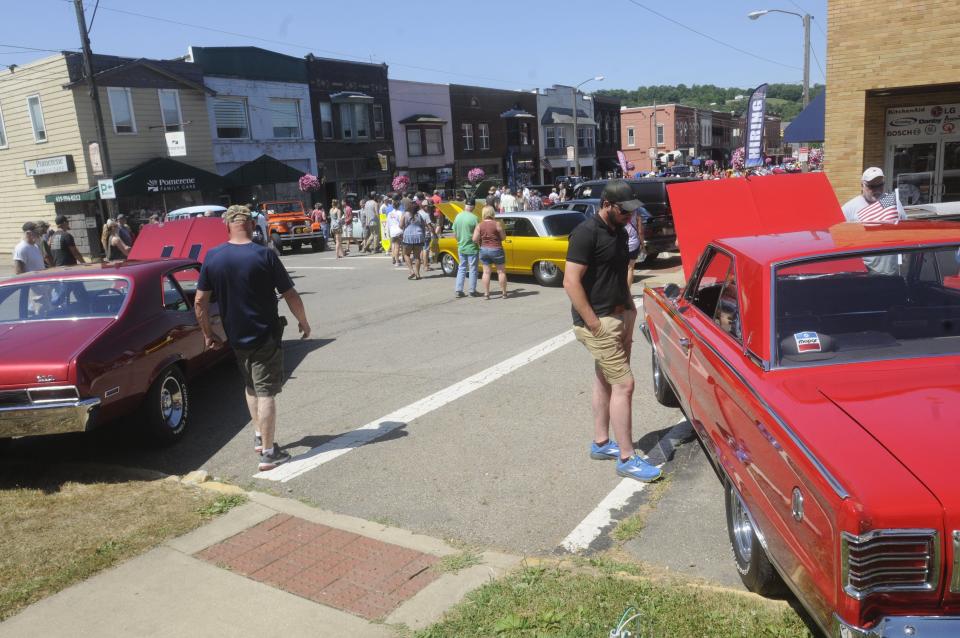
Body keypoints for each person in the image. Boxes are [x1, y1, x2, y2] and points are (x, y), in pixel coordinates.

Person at [195, 205, 311, 472]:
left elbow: (200, 301)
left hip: (235, 335)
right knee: (267, 392)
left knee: (250, 386)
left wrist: (207, 334)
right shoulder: (264, 255)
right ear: (250, 225)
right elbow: (290, 294)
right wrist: (303, 321)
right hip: (264, 334)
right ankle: (269, 454)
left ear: (227, 226)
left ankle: (260, 437)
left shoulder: (213, 257)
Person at [563, 180, 662, 483]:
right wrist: (593, 323)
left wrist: (629, 311)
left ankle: (602, 442)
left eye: (632, 212)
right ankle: (627, 458)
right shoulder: (585, 233)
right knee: (625, 385)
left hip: (620, 313)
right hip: (598, 322)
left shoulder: (620, 231)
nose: (629, 217)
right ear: (606, 204)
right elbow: (570, 281)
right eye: (623, 212)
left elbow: (619, 274)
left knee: (605, 379)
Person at [841, 167, 902, 274]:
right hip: (865, 271)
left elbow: (905, 228)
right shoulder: (850, 208)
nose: (877, 190)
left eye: (880, 185)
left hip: (892, 270)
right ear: (862, 185)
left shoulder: (892, 201)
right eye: (872, 186)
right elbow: (839, 238)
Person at [472, 205, 508, 299]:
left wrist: (481, 239)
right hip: (496, 249)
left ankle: (486, 294)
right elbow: (504, 237)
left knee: (486, 272)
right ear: (492, 213)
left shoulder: (479, 225)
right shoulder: (497, 224)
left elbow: (474, 239)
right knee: (501, 272)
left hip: (484, 249)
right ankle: (504, 293)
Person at [452, 203, 480, 298]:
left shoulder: (458, 216)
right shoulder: (474, 218)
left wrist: (459, 241)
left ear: (465, 206)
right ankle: (472, 290)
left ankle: (458, 290)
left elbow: (455, 233)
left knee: (462, 268)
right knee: (473, 269)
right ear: (473, 207)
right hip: (472, 247)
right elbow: (477, 235)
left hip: (461, 246)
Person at [401, 198, 426, 280]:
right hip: (419, 235)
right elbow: (423, 226)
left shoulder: (405, 214)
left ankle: (411, 271)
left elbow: (400, 225)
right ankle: (418, 274)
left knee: (406, 254)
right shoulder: (419, 215)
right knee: (417, 256)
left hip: (408, 236)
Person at [420, 201, 437, 271]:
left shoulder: (418, 213)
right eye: (428, 206)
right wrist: (434, 234)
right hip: (426, 233)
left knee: (422, 249)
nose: (429, 208)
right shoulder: (426, 215)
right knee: (426, 250)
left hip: (419, 233)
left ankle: (423, 263)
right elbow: (430, 226)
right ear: (424, 206)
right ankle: (425, 265)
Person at [387, 199, 404, 266]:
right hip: (398, 231)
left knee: (393, 245)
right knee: (397, 247)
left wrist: (389, 231)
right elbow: (401, 223)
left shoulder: (389, 213)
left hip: (392, 231)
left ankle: (393, 258)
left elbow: (388, 223)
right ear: (399, 206)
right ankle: (397, 261)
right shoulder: (400, 213)